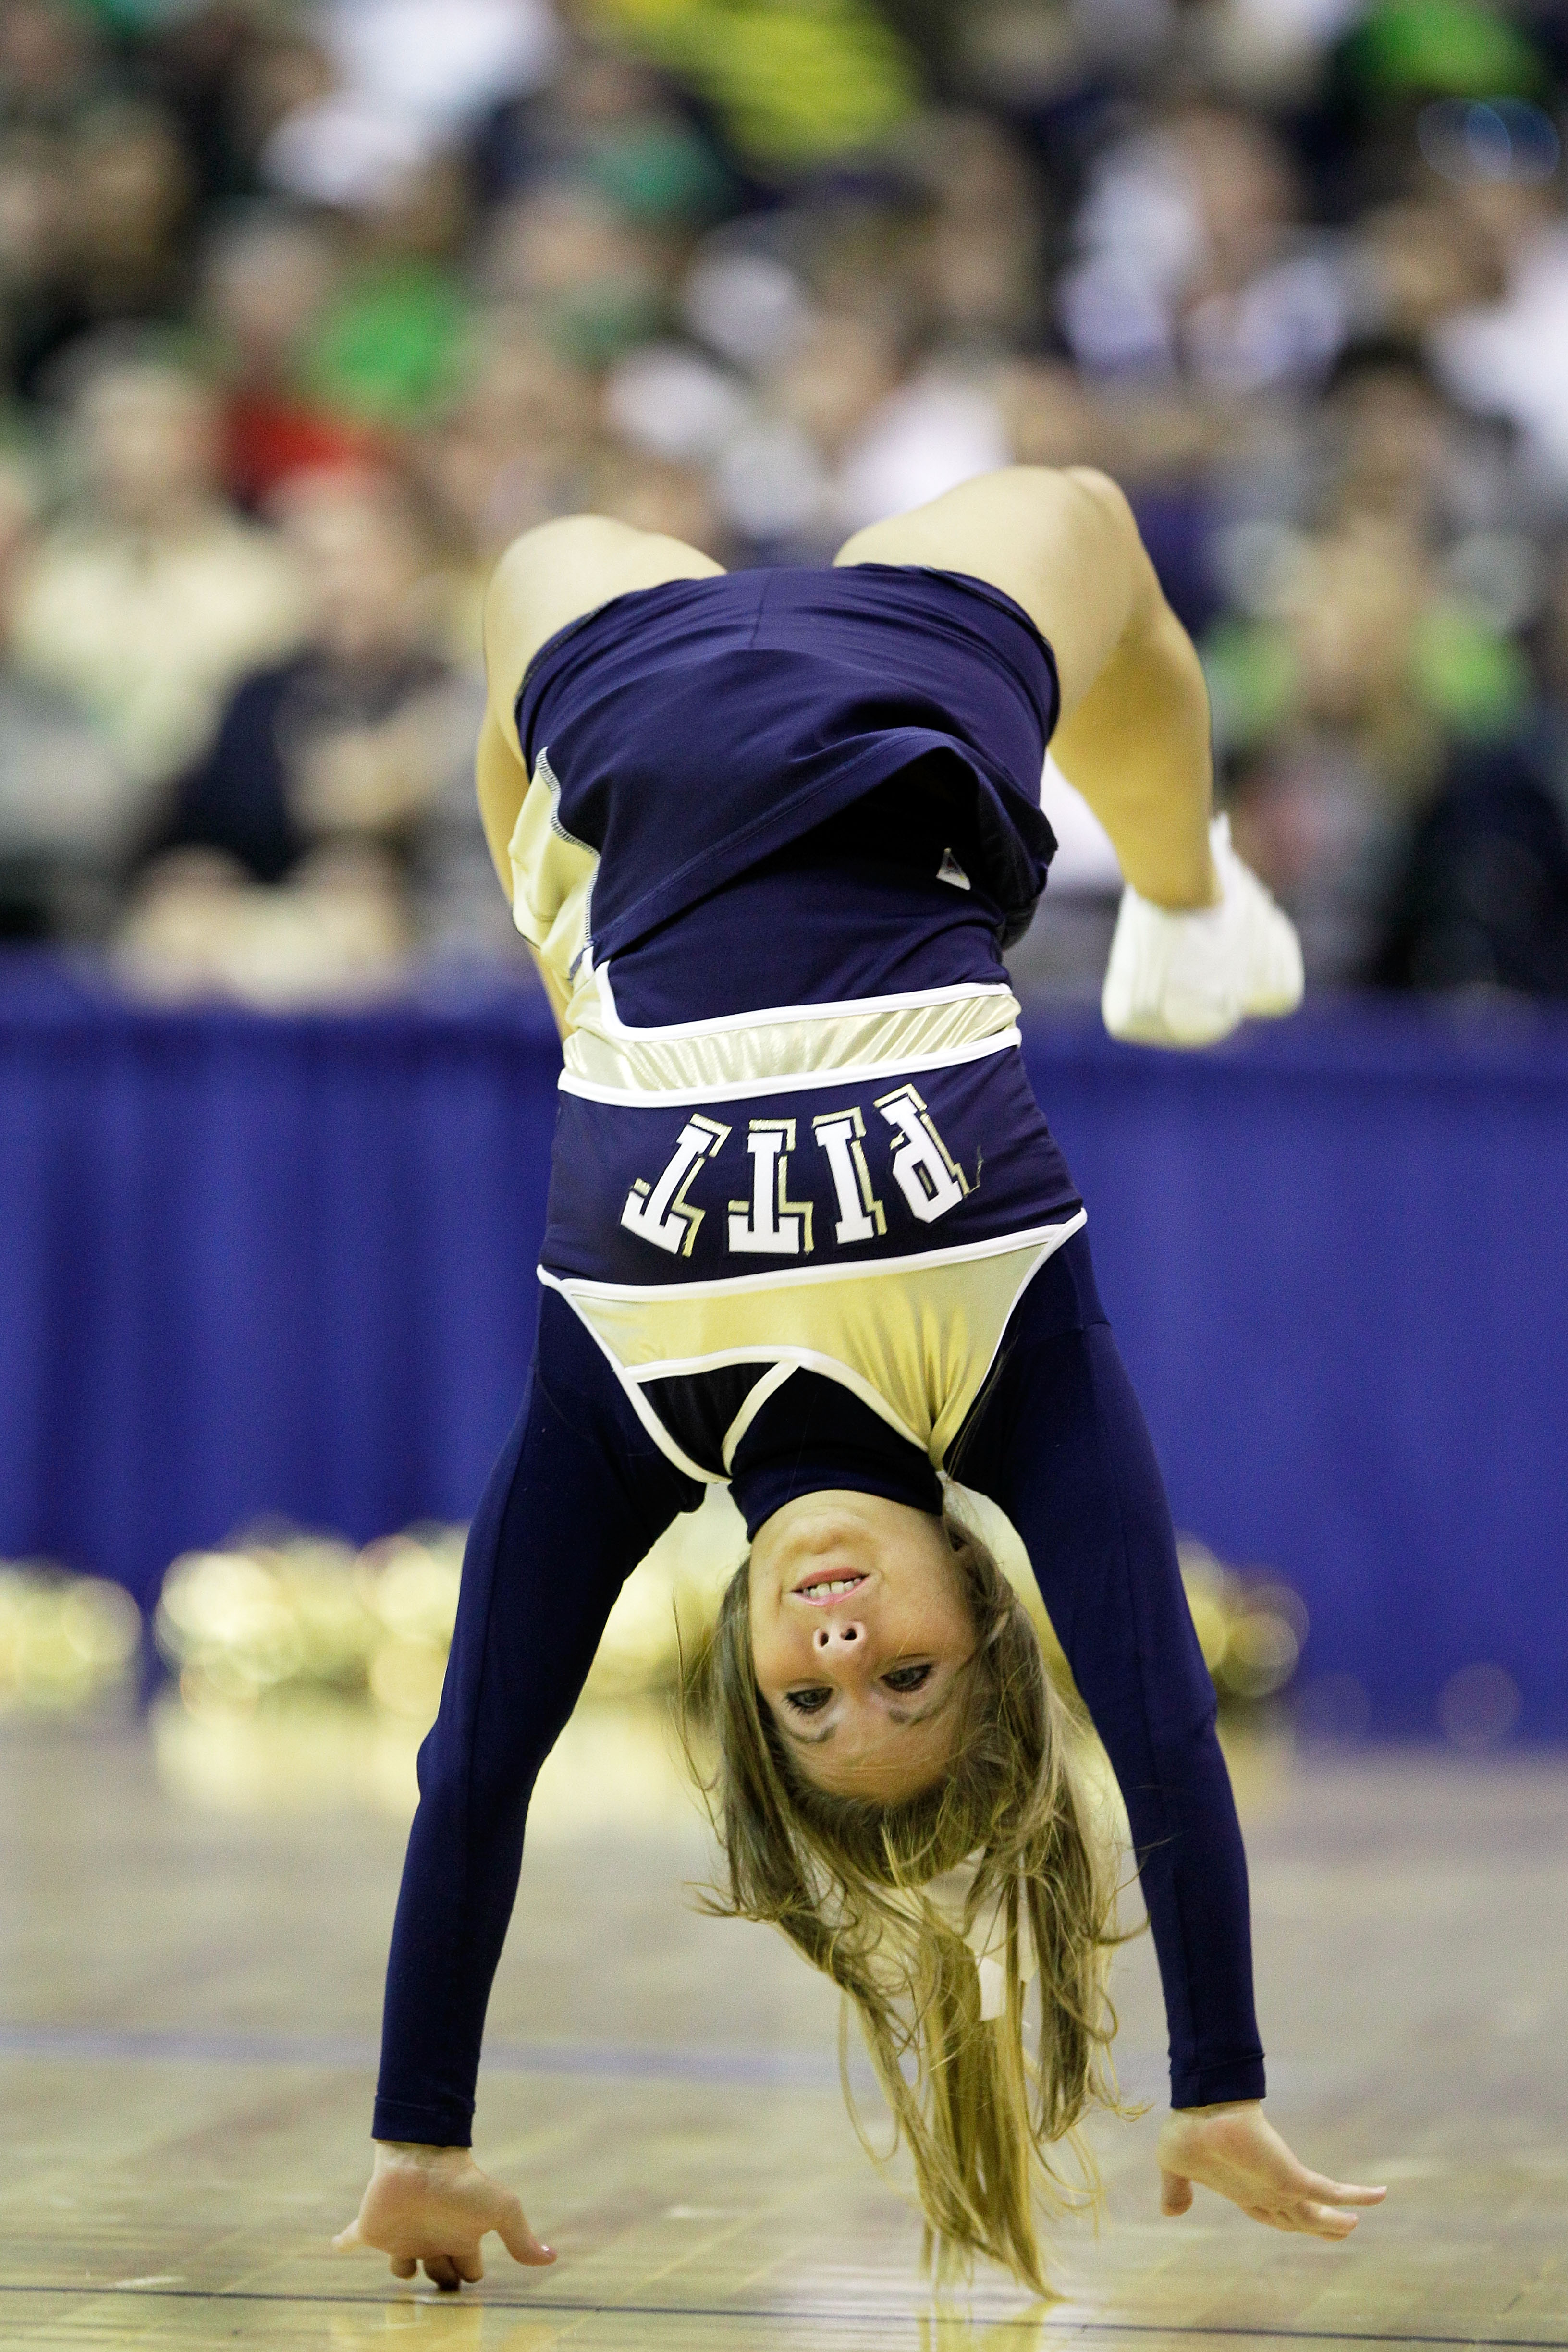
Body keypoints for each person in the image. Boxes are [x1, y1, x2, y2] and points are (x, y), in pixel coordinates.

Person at [334, 466, 1384, 2291]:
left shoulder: (619, 1415)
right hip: (928, 676)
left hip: (628, 692)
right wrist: (1219, 2078)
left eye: (811, 1707)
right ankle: (1192, 892)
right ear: (984, 1599)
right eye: (906, 1675)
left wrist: (421, 2132)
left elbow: (475, 1766)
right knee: (1098, 544)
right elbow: (1155, 1725)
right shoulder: (1014, 1374)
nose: (838, 1653)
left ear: (745, 1674)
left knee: (523, 609)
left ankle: (1168, 892)